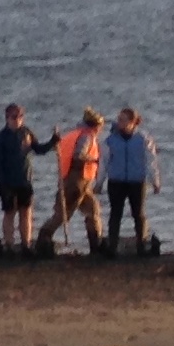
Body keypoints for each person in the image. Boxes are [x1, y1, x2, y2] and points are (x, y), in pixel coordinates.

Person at [38, 108, 108, 253]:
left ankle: (96, 245)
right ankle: (43, 239)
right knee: (63, 215)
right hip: (76, 181)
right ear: (96, 126)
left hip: (77, 181)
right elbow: (78, 155)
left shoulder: (73, 134)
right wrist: (96, 160)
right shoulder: (86, 136)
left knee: (92, 209)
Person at [101, 108, 160, 251]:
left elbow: (150, 161)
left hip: (136, 181)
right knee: (115, 214)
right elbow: (104, 162)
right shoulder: (110, 140)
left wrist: (155, 181)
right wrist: (99, 182)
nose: (119, 122)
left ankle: (141, 245)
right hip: (116, 181)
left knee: (138, 214)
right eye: (119, 119)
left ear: (132, 122)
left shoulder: (143, 139)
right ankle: (112, 247)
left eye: (123, 120)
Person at [0, 105, 45, 253]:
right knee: (9, 213)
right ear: (7, 118)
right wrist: (1, 183)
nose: (18, 120)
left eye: (21, 116)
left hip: (24, 180)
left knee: (26, 212)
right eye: (14, 117)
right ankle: (9, 245)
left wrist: (54, 141)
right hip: (7, 182)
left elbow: (39, 149)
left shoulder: (26, 133)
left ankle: (26, 245)